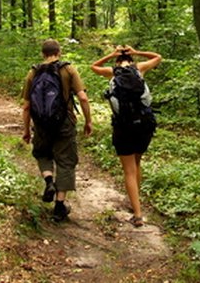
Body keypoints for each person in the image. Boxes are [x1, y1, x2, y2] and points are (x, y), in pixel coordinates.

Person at [22, 39, 93, 222]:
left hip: (41, 125)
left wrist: (27, 131)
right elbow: (83, 98)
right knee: (66, 161)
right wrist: (88, 121)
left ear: (42, 53)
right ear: (59, 52)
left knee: (42, 153)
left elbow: (26, 107)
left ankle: (48, 181)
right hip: (65, 123)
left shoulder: (33, 72)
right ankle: (60, 207)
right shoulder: (68, 69)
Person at [91, 45, 162, 227]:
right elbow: (157, 56)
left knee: (129, 170)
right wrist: (136, 52)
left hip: (123, 126)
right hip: (145, 124)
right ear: (131, 61)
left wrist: (111, 54)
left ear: (117, 61)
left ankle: (137, 214)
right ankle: (135, 201)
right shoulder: (140, 69)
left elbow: (93, 66)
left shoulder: (112, 72)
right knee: (137, 163)